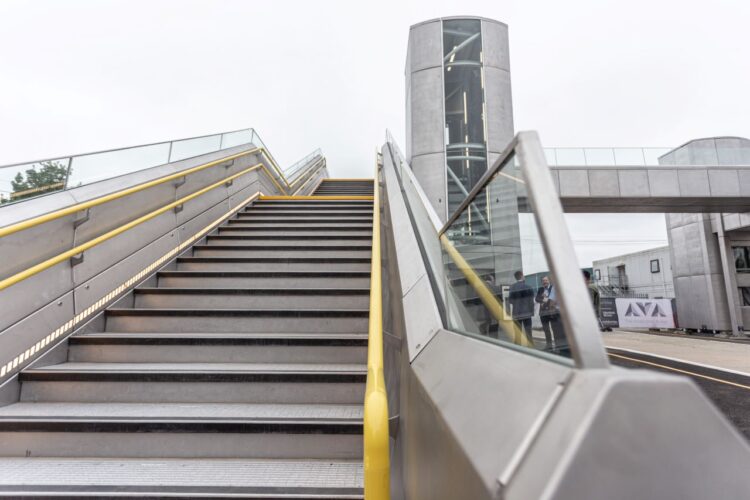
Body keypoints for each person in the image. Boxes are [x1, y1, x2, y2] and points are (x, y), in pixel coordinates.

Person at [535, 276, 568, 354]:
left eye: (546, 280)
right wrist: (542, 298)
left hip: (551, 313)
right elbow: (537, 299)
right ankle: (549, 347)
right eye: (543, 280)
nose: (545, 282)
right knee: (546, 331)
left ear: (549, 281)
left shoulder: (552, 288)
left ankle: (557, 347)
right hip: (543, 313)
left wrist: (546, 301)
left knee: (555, 331)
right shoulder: (540, 289)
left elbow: (552, 300)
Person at [508, 271, 535, 344]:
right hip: (527, 313)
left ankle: (518, 348)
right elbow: (531, 301)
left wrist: (516, 303)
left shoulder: (512, 287)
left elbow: (510, 301)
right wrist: (532, 312)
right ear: (522, 276)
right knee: (528, 333)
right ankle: (530, 348)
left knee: (517, 333)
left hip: (516, 313)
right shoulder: (528, 287)